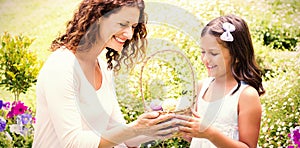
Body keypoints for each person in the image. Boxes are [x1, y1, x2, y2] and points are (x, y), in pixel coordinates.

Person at [33, 0, 179, 147]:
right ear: (97, 18)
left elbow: (120, 135)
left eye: (133, 26)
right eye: (123, 24)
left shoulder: (103, 67)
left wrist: (157, 128)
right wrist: (134, 128)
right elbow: (72, 143)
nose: (129, 34)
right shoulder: (62, 66)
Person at [176, 14, 265, 148]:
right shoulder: (202, 87)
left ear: (236, 56)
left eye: (214, 53)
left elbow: (248, 146)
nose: (206, 59)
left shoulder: (246, 95)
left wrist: (209, 132)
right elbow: (196, 139)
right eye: (203, 52)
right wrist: (184, 128)